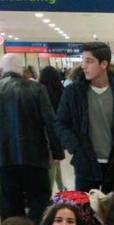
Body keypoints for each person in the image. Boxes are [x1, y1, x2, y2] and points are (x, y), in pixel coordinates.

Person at [0, 53, 63, 224]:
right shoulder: (37, 89)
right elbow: (50, 121)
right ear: (22, 69)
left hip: (3, 154)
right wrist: (57, 151)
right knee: (39, 196)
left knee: (9, 198)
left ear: (2, 70)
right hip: (34, 153)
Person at [55, 43, 114, 193]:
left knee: (113, 212)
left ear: (104, 64)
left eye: (89, 61)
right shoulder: (72, 93)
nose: (83, 66)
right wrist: (75, 148)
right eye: (83, 61)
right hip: (85, 165)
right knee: (85, 212)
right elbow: (61, 123)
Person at [39, 65, 67, 193]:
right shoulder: (62, 91)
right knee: (54, 160)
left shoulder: (39, 91)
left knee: (52, 161)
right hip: (58, 130)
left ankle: (49, 191)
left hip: (43, 130)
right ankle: (60, 187)